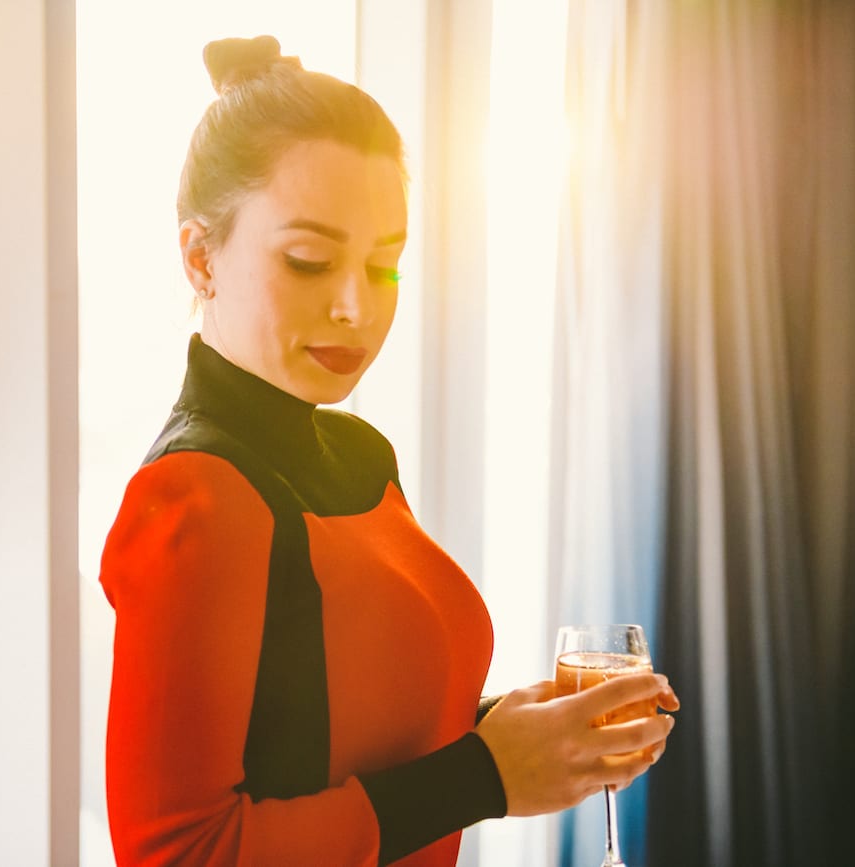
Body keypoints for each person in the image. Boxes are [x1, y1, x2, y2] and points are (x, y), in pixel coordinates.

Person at [98, 35, 680, 867]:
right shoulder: (192, 499)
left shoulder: (359, 453)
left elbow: (330, 744)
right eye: (309, 260)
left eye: (385, 266)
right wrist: (484, 776)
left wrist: (512, 733)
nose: (353, 307)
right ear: (200, 257)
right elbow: (178, 854)